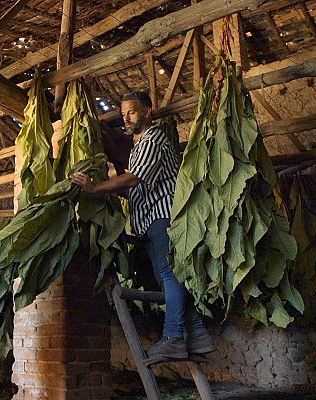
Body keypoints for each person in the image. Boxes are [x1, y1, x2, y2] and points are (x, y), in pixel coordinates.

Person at [72, 91, 214, 364]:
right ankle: (197, 335)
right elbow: (136, 189)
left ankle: (173, 338)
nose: (126, 119)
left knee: (170, 276)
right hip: (149, 219)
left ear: (147, 112)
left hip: (161, 217)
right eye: (123, 114)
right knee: (168, 278)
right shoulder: (138, 147)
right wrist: (105, 188)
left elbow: (134, 179)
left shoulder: (152, 139)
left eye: (132, 112)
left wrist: (95, 188)